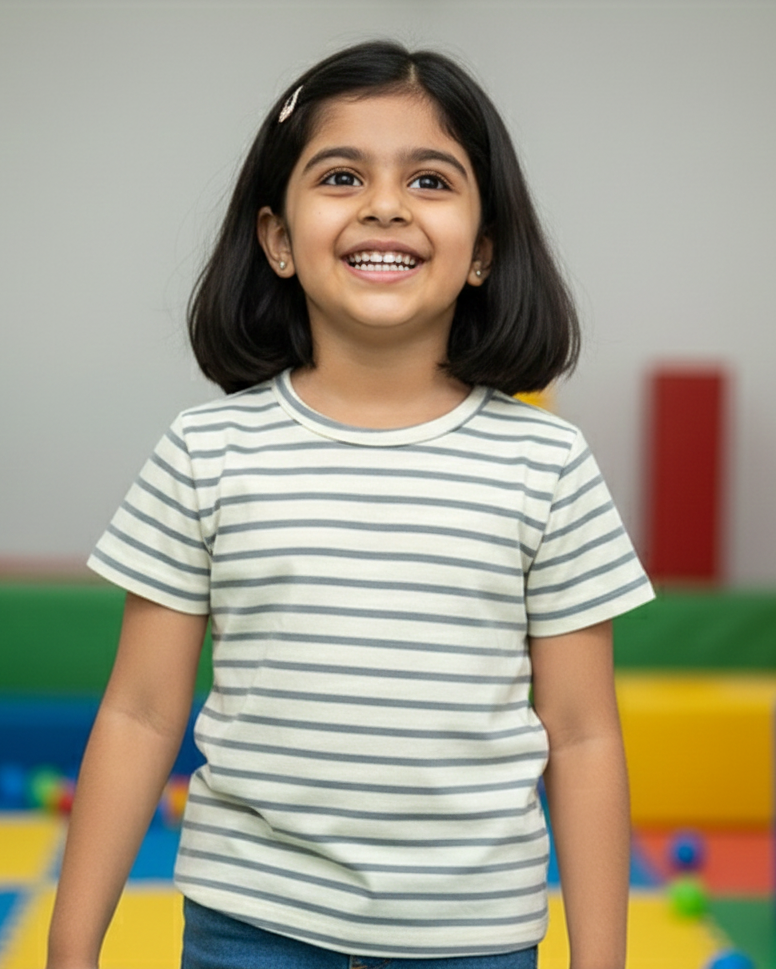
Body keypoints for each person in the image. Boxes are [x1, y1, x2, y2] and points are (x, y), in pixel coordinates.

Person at [47, 40, 653, 969]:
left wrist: (600, 959)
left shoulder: (549, 463)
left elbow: (580, 733)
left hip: (474, 938)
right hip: (251, 924)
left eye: (431, 180)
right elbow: (138, 709)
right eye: (340, 175)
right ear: (278, 239)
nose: (385, 204)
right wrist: (71, 946)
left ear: (484, 249)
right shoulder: (205, 453)